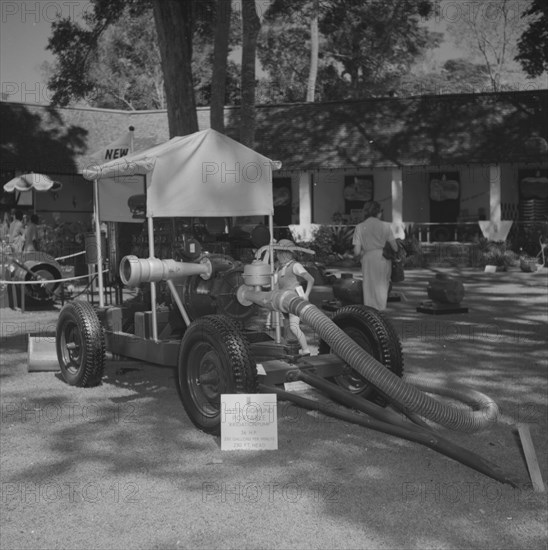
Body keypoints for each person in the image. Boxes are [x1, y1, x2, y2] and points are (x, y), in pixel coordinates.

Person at [352, 201, 398, 311]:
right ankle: (381, 309)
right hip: (383, 258)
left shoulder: (359, 227)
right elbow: (395, 247)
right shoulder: (386, 226)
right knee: (382, 285)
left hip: (367, 258)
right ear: (378, 212)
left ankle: (370, 311)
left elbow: (357, 251)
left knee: (368, 286)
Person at [273, 239, 315, 355]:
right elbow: (275, 284)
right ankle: (291, 349)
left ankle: (306, 350)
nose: (278, 255)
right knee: (287, 326)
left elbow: (310, 279)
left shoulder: (295, 266)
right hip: (283, 302)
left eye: (279, 253)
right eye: (277, 253)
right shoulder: (279, 268)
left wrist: (306, 295)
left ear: (287, 253)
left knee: (294, 326)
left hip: (293, 301)